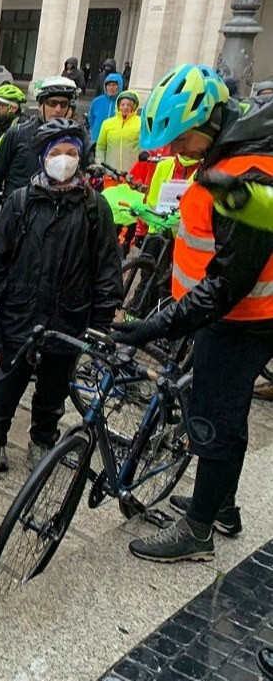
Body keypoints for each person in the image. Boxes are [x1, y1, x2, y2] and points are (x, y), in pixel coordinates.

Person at [110, 64, 273, 563]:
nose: (178, 151)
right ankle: (221, 505)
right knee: (231, 416)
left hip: (239, 320)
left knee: (214, 420)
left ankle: (198, 531)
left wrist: (158, 324)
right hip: (237, 315)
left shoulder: (244, 176)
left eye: (183, 140)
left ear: (211, 120)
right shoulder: (232, 153)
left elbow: (227, 282)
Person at [0, 118, 123, 471]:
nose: (63, 160)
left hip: (69, 317)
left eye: (71, 153)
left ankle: (42, 441)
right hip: (21, 313)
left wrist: (101, 322)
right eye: (56, 153)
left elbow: (107, 268)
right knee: (7, 386)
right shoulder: (21, 202)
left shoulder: (94, 208)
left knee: (53, 390)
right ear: (43, 158)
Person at [0, 75, 79, 227]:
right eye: (52, 103)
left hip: (55, 221)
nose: (58, 109)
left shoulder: (75, 139)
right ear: (41, 105)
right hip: (18, 217)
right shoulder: (17, 134)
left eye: (63, 104)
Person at [97, 89, 142, 172]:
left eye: (129, 105)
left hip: (133, 174)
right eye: (122, 104)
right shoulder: (107, 123)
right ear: (118, 106)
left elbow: (144, 148)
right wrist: (100, 165)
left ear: (134, 106)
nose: (125, 107)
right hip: (111, 173)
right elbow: (101, 147)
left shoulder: (141, 123)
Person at [88, 72, 123, 143]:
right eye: (109, 85)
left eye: (114, 85)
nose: (111, 87)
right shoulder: (97, 101)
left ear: (119, 86)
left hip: (115, 141)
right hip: (97, 139)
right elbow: (91, 119)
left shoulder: (123, 102)